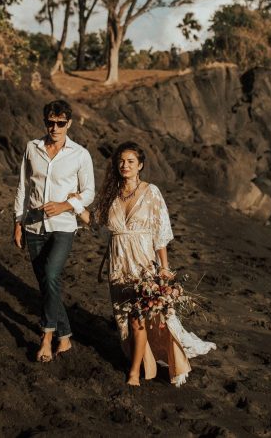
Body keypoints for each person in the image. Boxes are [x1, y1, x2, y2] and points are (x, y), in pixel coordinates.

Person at [86, 141, 215, 386]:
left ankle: (135, 372)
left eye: (130, 161)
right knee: (123, 318)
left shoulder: (151, 192)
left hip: (144, 263)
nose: (125, 165)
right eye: (121, 161)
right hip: (119, 265)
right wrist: (67, 205)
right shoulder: (110, 195)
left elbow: (160, 233)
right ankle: (142, 360)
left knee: (138, 318)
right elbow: (93, 220)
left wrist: (164, 268)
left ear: (140, 165)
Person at [13, 100, 94, 363]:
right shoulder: (32, 148)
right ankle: (66, 335)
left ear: (69, 123)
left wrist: (65, 205)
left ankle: (46, 338)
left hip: (63, 227)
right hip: (34, 226)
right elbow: (23, 188)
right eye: (50, 122)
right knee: (48, 284)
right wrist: (17, 222)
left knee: (50, 275)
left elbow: (89, 192)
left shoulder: (80, 154)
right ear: (45, 122)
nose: (55, 127)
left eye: (60, 123)